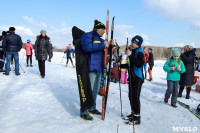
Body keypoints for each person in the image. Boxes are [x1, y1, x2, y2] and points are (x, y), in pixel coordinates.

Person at [80, 19, 114, 120]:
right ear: (97, 29)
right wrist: (102, 45)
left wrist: (110, 46)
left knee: (95, 90)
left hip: (99, 67)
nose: (104, 32)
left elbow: (106, 51)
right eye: (103, 29)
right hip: (89, 67)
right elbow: (87, 47)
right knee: (88, 90)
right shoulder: (87, 36)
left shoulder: (102, 40)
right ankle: (84, 111)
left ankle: (92, 107)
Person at [122, 35, 144, 125]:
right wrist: (122, 65)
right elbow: (131, 64)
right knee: (130, 96)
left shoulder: (139, 52)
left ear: (137, 44)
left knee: (135, 97)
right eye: (131, 41)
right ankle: (133, 113)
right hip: (132, 77)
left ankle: (137, 117)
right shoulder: (133, 51)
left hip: (137, 78)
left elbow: (139, 64)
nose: (131, 43)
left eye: (133, 42)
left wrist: (130, 56)